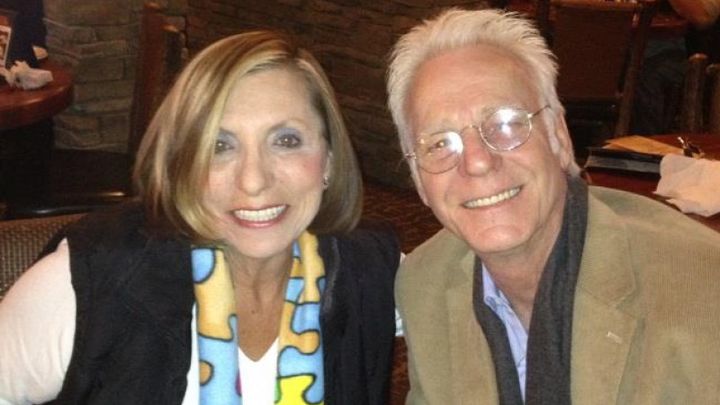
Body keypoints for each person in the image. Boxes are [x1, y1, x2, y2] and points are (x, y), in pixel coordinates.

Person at [0, 30, 400, 404]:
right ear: (181, 165)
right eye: (219, 146)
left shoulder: (372, 273)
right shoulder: (93, 281)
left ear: (329, 159)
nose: (254, 180)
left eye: (286, 140)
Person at [387, 8, 720, 404]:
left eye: (505, 123)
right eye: (440, 143)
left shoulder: (702, 289)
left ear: (559, 137)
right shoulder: (423, 284)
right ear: (419, 180)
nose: (476, 162)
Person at [631, 0, 720, 135]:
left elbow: (702, 16)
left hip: (686, 53)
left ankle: (647, 142)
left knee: (643, 73)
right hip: (629, 38)